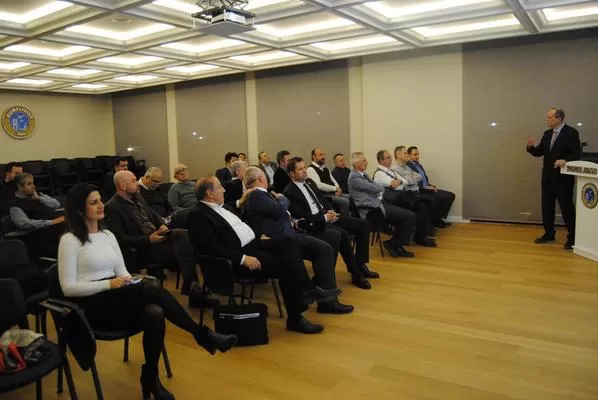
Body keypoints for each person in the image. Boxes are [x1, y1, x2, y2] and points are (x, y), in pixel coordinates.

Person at [58, 183, 238, 400]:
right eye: (93, 202)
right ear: (79, 209)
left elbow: (122, 272)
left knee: (154, 313)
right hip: (91, 305)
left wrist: (128, 280)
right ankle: (201, 335)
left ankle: (151, 378)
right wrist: (109, 284)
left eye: (100, 200)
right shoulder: (69, 241)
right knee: (152, 288)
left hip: (117, 295)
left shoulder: (107, 235)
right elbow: (68, 288)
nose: (100, 205)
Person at [188, 176, 341, 334]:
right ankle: (297, 316)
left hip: (254, 244)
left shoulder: (221, 207)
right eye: (220, 187)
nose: (224, 189)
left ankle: (307, 289)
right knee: (287, 264)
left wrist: (253, 225)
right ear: (209, 193)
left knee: (289, 242)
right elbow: (210, 247)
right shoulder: (198, 214)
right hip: (237, 259)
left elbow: (233, 214)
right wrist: (242, 259)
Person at [243, 166, 354, 313]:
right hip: (282, 238)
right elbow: (280, 209)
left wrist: (293, 220)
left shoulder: (261, 195)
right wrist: (283, 198)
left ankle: (318, 291)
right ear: (261, 179)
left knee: (329, 242)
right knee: (325, 249)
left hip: (290, 231)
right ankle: (323, 300)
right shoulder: (257, 195)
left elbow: (275, 214)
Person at [284, 157, 377, 288]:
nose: (305, 171)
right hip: (316, 223)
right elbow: (302, 216)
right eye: (300, 169)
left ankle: (361, 264)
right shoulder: (289, 192)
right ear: (291, 174)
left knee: (363, 225)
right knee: (342, 234)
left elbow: (322, 199)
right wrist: (325, 218)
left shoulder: (309, 182)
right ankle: (355, 274)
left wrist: (331, 211)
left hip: (327, 217)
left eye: (304, 167)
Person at [104, 171, 199, 294]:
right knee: (185, 249)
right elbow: (120, 239)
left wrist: (162, 224)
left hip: (157, 236)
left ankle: (190, 285)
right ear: (123, 186)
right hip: (142, 247)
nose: (137, 183)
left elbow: (152, 213)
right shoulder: (112, 207)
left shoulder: (138, 197)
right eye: (133, 181)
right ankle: (193, 289)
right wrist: (148, 239)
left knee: (182, 234)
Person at [527, 107, 581, 249]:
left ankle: (573, 237)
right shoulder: (547, 134)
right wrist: (531, 147)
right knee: (547, 207)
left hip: (563, 178)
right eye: (547, 117)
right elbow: (539, 152)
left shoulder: (571, 133)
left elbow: (576, 153)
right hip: (547, 177)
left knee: (566, 208)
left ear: (559, 118)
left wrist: (565, 160)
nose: (547, 119)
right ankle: (549, 234)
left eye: (550, 117)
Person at [348, 152, 416, 258]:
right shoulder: (354, 178)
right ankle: (394, 244)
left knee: (406, 214)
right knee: (410, 216)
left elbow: (375, 187)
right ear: (357, 164)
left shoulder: (363, 174)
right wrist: (382, 189)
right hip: (372, 209)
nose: (367, 162)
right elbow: (375, 188)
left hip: (379, 203)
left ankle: (395, 244)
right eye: (364, 161)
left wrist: (380, 189)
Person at [9, 173, 65, 258]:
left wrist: (39, 199)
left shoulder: (38, 195)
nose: (33, 186)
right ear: (20, 187)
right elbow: (25, 224)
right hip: (39, 234)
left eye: (33, 183)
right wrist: (52, 222)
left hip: (54, 227)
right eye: (29, 184)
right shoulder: (15, 206)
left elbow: (56, 204)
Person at [406, 146, 455, 228]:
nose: (417, 156)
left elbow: (424, 179)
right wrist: (426, 188)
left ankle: (438, 219)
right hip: (421, 191)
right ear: (409, 155)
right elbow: (413, 183)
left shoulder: (418, 165)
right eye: (415, 154)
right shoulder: (408, 167)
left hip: (427, 187)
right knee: (436, 200)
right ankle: (436, 222)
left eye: (418, 154)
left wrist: (430, 185)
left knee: (450, 195)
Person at [307, 148, 351, 218]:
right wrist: (335, 189)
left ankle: (353, 219)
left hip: (333, 193)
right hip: (324, 196)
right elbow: (318, 185)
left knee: (350, 197)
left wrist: (337, 189)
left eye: (323, 154)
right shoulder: (310, 169)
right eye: (320, 155)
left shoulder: (325, 168)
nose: (323, 157)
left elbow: (333, 180)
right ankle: (344, 222)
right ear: (314, 157)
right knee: (345, 201)